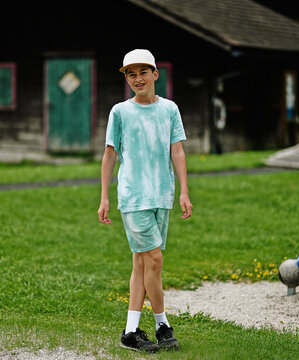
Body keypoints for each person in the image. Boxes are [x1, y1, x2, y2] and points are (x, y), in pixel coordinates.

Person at [98, 49, 193, 353]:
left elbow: (177, 150)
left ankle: (130, 332)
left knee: (141, 263)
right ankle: (163, 326)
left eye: (142, 72)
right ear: (126, 78)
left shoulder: (169, 110)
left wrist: (183, 191)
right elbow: (110, 154)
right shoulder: (120, 112)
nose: (137, 79)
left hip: (161, 195)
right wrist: (104, 197)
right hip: (133, 197)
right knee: (154, 259)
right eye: (130, 73)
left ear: (155, 74)